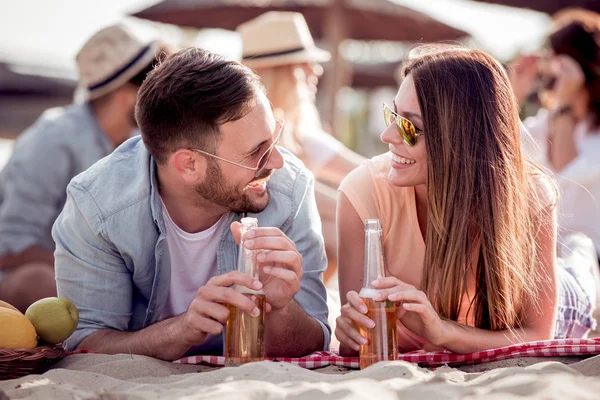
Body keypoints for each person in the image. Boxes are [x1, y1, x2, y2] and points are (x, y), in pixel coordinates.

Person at [52, 47, 330, 361]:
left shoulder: (289, 188)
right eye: (257, 152)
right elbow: (86, 344)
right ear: (189, 165)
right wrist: (181, 330)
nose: (277, 161)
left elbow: (315, 340)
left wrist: (279, 309)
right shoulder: (97, 206)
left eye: (274, 138)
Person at [335, 45, 597, 357]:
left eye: (410, 127)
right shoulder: (362, 194)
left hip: (566, 306)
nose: (388, 135)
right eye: (392, 115)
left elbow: (539, 334)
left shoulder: (530, 195)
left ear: (461, 139)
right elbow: (359, 342)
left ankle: (584, 259)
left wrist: (443, 332)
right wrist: (352, 333)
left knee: (579, 280)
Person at [0, 22, 165, 313]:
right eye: (152, 90)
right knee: (42, 283)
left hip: (101, 278)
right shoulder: (52, 139)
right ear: (126, 96)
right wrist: (91, 270)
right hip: (35, 280)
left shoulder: (139, 141)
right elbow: (8, 246)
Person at [237, 12, 365, 284]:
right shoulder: (243, 137)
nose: (315, 70)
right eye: (303, 63)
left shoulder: (300, 135)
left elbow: (368, 173)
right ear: (279, 74)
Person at [510, 9, 600, 258]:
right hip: (548, 260)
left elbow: (567, 173)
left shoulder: (578, 124)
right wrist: (511, 94)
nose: (550, 67)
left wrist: (562, 107)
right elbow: (507, 147)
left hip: (591, 261)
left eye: (557, 58)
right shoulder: (547, 121)